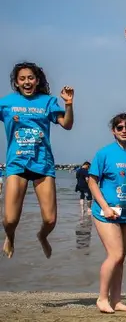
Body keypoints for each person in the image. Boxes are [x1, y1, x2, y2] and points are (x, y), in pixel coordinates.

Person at [0, 62, 74, 259]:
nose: (27, 82)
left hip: (43, 164)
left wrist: (68, 104)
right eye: (22, 78)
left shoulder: (48, 102)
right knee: (9, 219)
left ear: (37, 80)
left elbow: (67, 125)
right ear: (16, 82)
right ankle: (10, 236)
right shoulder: (6, 103)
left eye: (30, 78)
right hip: (16, 163)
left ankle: (42, 236)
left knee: (50, 220)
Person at [88, 112, 126, 313]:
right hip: (106, 211)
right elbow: (92, 181)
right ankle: (102, 298)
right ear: (113, 131)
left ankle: (117, 300)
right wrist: (104, 206)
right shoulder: (104, 153)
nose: (124, 131)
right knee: (115, 254)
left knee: (121, 258)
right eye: (120, 127)